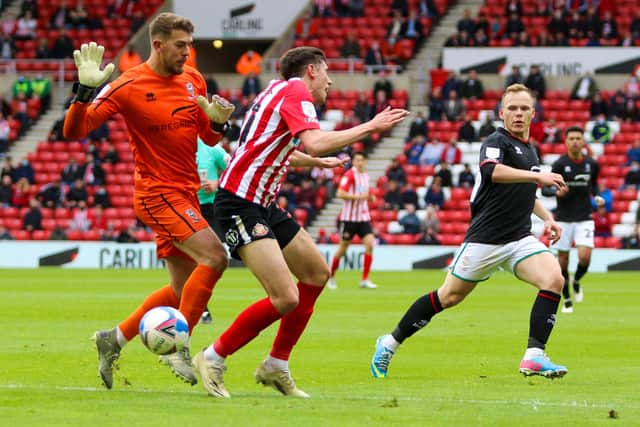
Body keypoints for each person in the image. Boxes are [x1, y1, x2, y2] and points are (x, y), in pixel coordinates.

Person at [192, 46, 408, 399]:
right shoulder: (295, 90)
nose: (330, 81)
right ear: (310, 71)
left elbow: (271, 147)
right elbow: (315, 141)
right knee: (285, 296)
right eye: (326, 72)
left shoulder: (273, 92)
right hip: (240, 203)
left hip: (261, 202)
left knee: (317, 274)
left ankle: (276, 364)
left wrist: (315, 164)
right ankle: (213, 356)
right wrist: (371, 125)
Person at [62, 13, 235, 390]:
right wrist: (84, 92)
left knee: (179, 290)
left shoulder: (193, 79)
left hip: (185, 191)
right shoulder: (129, 84)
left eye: (189, 45)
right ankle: (179, 346)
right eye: (179, 45)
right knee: (216, 257)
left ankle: (114, 339)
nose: (186, 53)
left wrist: (219, 124)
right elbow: (74, 131)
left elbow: (207, 139)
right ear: (157, 45)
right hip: (157, 194)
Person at [370, 84, 569, 381]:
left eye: (524, 108)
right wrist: (537, 175)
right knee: (447, 297)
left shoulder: (529, 149)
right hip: (484, 240)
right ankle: (389, 343)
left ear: (532, 114)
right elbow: (492, 171)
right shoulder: (495, 141)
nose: (518, 113)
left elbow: (526, 192)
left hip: (519, 239)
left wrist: (548, 218)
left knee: (554, 279)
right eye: (512, 108)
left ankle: (534, 355)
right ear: (501, 113)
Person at [546, 127, 600, 314]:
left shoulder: (591, 163)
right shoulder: (559, 164)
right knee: (563, 261)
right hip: (563, 219)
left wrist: (598, 197)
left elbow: (595, 185)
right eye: (572, 138)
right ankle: (567, 298)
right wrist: (556, 191)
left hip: (584, 217)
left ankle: (576, 280)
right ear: (566, 141)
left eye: (578, 138)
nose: (575, 141)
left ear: (583, 141)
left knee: (585, 256)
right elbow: (546, 189)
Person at [328, 152, 378, 290]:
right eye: (357, 160)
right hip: (349, 219)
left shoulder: (366, 176)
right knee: (343, 249)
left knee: (370, 245)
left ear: (365, 161)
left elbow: (366, 193)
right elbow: (340, 193)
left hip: (363, 218)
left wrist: (370, 198)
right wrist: (360, 197)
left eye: (362, 160)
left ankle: (365, 279)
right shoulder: (350, 175)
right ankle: (331, 277)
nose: (360, 162)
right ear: (354, 162)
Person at [195, 137, 230, 324]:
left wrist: (216, 185)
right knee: (196, 259)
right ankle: (201, 307)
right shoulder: (175, 146)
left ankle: (201, 305)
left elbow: (234, 169)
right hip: (187, 207)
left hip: (211, 208)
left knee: (214, 257)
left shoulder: (211, 148)